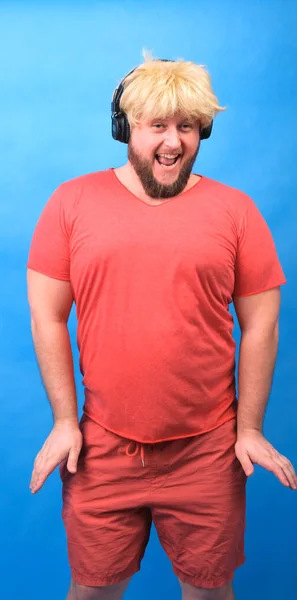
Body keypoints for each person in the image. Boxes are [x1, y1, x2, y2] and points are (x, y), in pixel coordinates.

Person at [26, 54, 297, 600]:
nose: (173, 142)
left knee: (208, 592)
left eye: (187, 127)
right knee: (92, 590)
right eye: (158, 126)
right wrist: (62, 421)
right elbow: (48, 314)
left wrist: (249, 430)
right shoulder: (71, 203)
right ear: (126, 128)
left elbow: (262, 325)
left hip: (209, 451)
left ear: (203, 132)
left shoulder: (236, 211)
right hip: (102, 447)